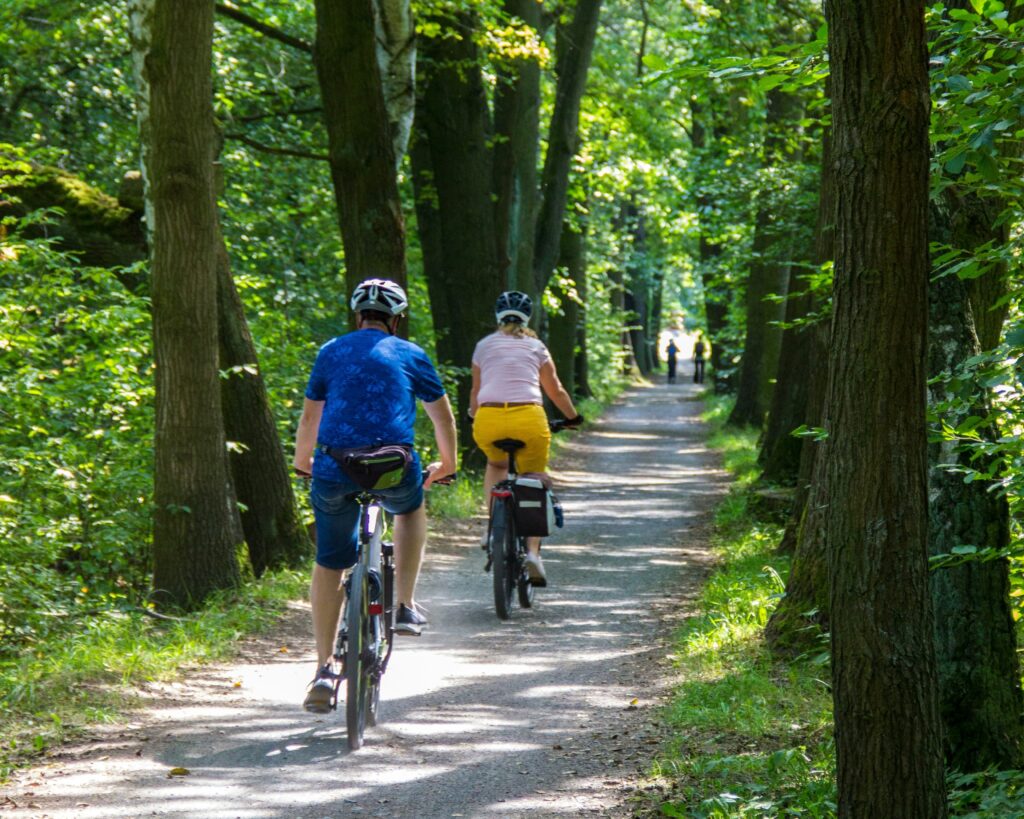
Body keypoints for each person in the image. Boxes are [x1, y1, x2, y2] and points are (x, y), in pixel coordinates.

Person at [293, 278, 457, 713]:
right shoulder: (410, 354)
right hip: (392, 467)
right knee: (410, 508)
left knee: (329, 561)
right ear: (397, 319)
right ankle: (403, 604)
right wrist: (448, 463)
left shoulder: (331, 351)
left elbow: (311, 418)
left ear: (357, 316)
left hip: (334, 467)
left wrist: (303, 462)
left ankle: (324, 670)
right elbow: (443, 419)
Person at [469, 291, 583, 587]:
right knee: (533, 477)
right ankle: (533, 553)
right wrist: (572, 417)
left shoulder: (483, 346)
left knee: (496, 466)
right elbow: (555, 390)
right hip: (529, 419)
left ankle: (493, 528)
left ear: (497, 316)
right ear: (527, 318)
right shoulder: (536, 346)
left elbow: (476, 392)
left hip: (489, 419)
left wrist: (473, 415)